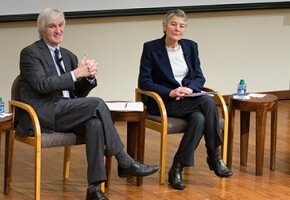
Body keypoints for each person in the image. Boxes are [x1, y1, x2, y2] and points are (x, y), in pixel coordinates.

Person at [17, 8, 159, 200]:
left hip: (66, 111)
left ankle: (94, 189)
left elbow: (77, 93)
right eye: (52, 27)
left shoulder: (67, 55)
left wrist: (89, 77)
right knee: (98, 104)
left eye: (60, 25)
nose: (58, 30)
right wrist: (77, 73)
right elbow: (42, 85)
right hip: (44, 113)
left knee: (95, 123)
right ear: (42, 31)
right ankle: (124, 160)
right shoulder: (30, 53)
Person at [138, 9, 233, 190]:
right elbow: (144, 81)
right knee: (207, 102)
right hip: (165, 102)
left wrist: (190, 89)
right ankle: (214, 155)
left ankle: (176, 168)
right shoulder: (151, 48)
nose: (177, 29)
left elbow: (199, 77)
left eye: (181, 26)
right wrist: (171, 92)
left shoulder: (191, 46)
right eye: (173, 24)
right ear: (164, 26)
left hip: (189, 99)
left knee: (199, 118)